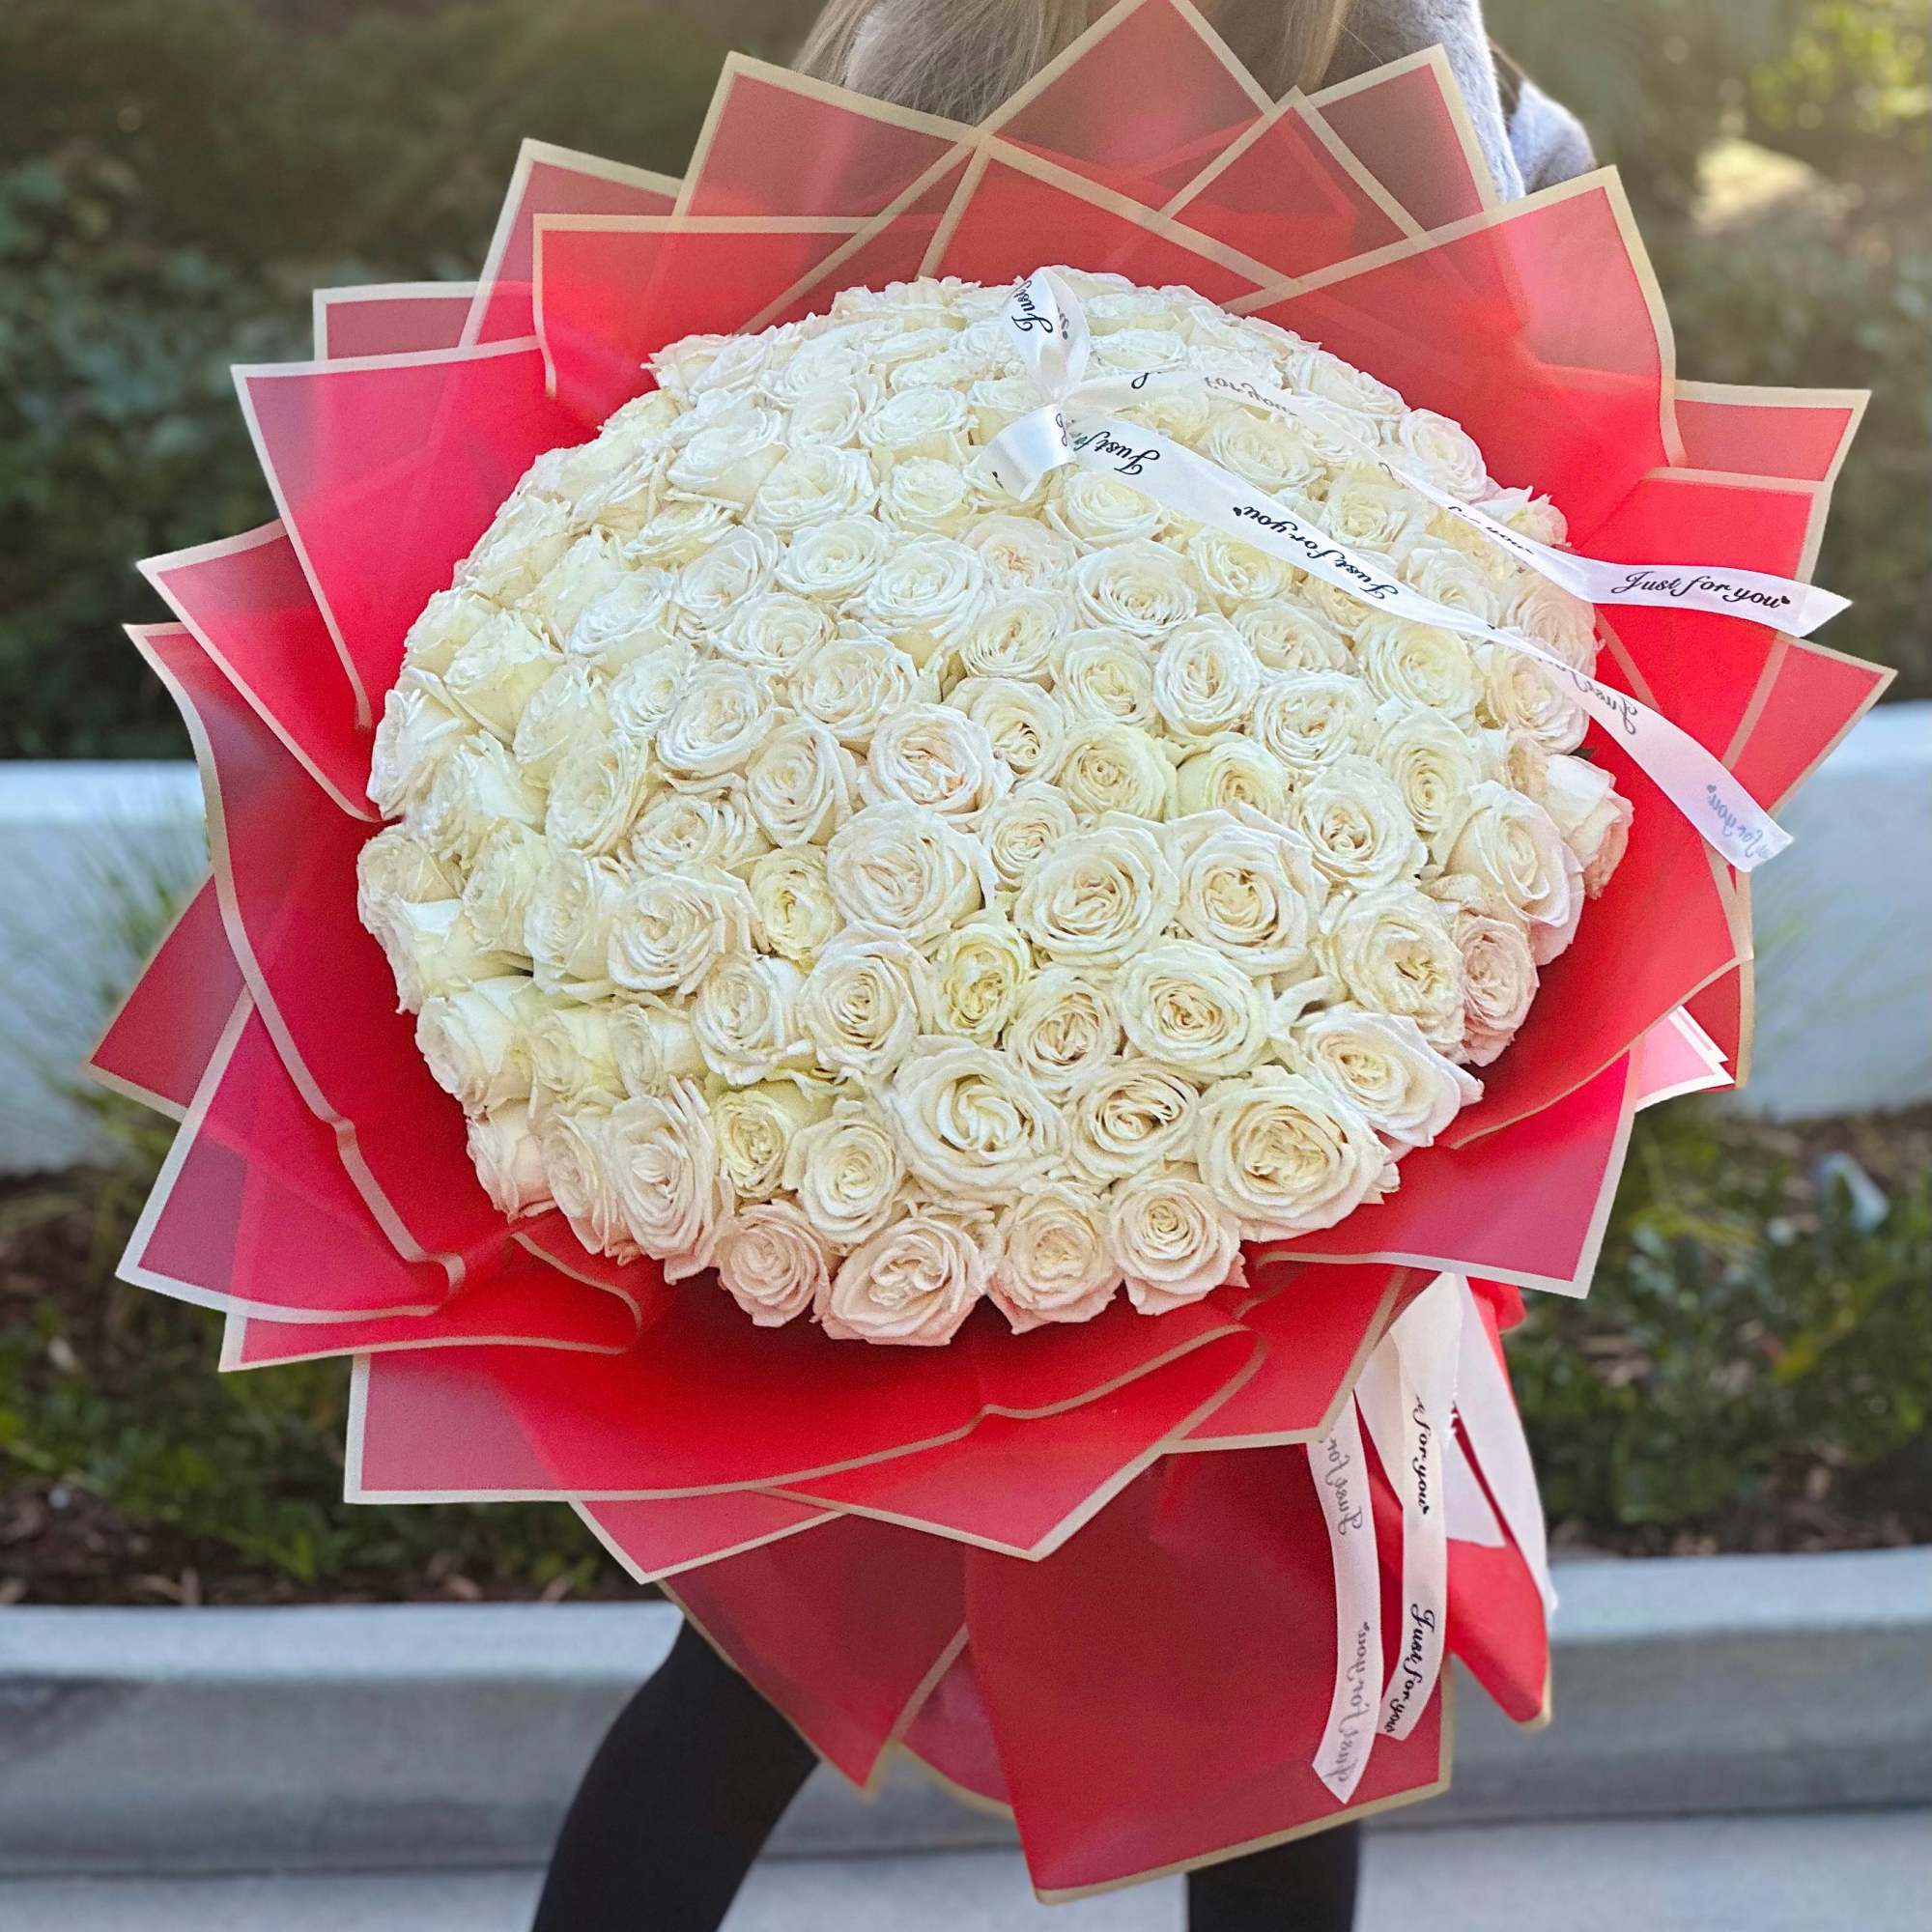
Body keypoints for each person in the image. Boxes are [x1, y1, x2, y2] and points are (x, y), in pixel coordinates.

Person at [533, 6, 1590, 1926]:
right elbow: (1543, 289)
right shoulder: (1388, 71)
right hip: (1261, 938)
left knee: (785, 1647)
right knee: (1261, 1646)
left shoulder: (927, 52)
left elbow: (759, 385)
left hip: (924, 952)